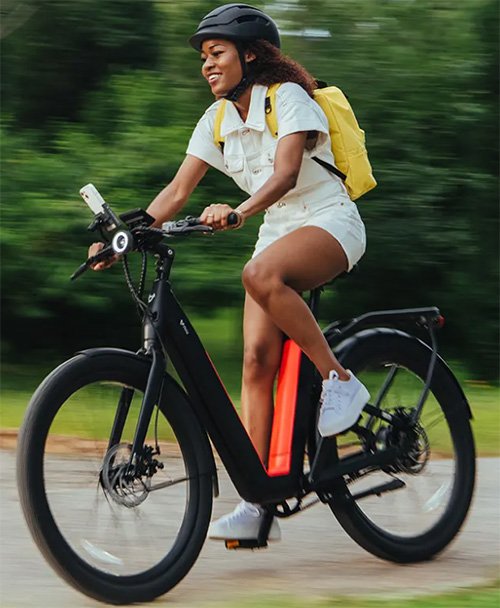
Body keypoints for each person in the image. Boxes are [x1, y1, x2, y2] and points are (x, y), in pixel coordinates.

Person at [90, 3, 370, 542]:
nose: (207, 65)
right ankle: (259, 501)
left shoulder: (286, 97)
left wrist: (239, 212)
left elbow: (288, 173)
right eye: (203, 57)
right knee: (254, 362)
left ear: (250, 55)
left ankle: (341, 380)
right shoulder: (216, 120)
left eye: (216, 53)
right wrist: (120, 242)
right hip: (276, 233)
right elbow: (176, 194)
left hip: (329, 220)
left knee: (258, 274)